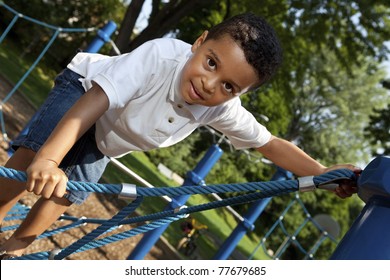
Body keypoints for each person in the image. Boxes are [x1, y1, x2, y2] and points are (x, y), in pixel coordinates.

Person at [0, 13, 360, 259]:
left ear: (239, 94)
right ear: (198, 43)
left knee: (69, 193)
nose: (209, 84)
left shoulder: (221, 108)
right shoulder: (159, 56)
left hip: (108, 134)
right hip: (84, 91)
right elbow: (96, 99)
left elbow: (270, 145)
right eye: (211, 63)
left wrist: (322, 173)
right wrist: (49, 159)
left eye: (228, 85)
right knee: (33, 159)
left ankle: (15, 248)